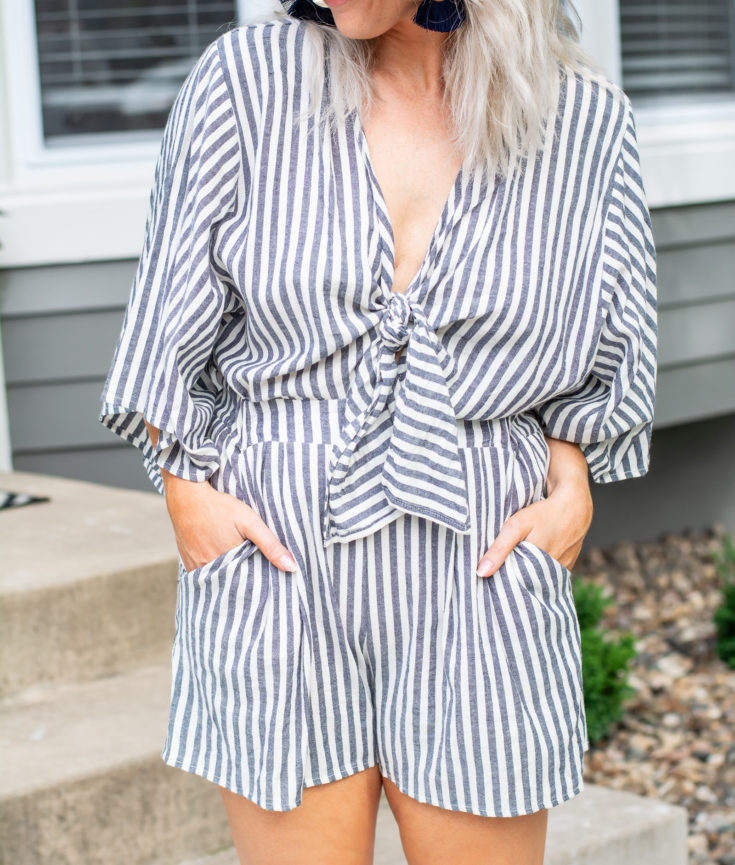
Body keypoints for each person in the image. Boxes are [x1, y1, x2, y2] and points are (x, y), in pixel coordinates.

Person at [98, 0, 658, 862]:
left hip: (482, 558)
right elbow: (167, 315)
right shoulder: (246, 83)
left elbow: (609, 336)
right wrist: (188, 497)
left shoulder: (583, 125)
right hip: (274, 553)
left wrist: (571, 487)